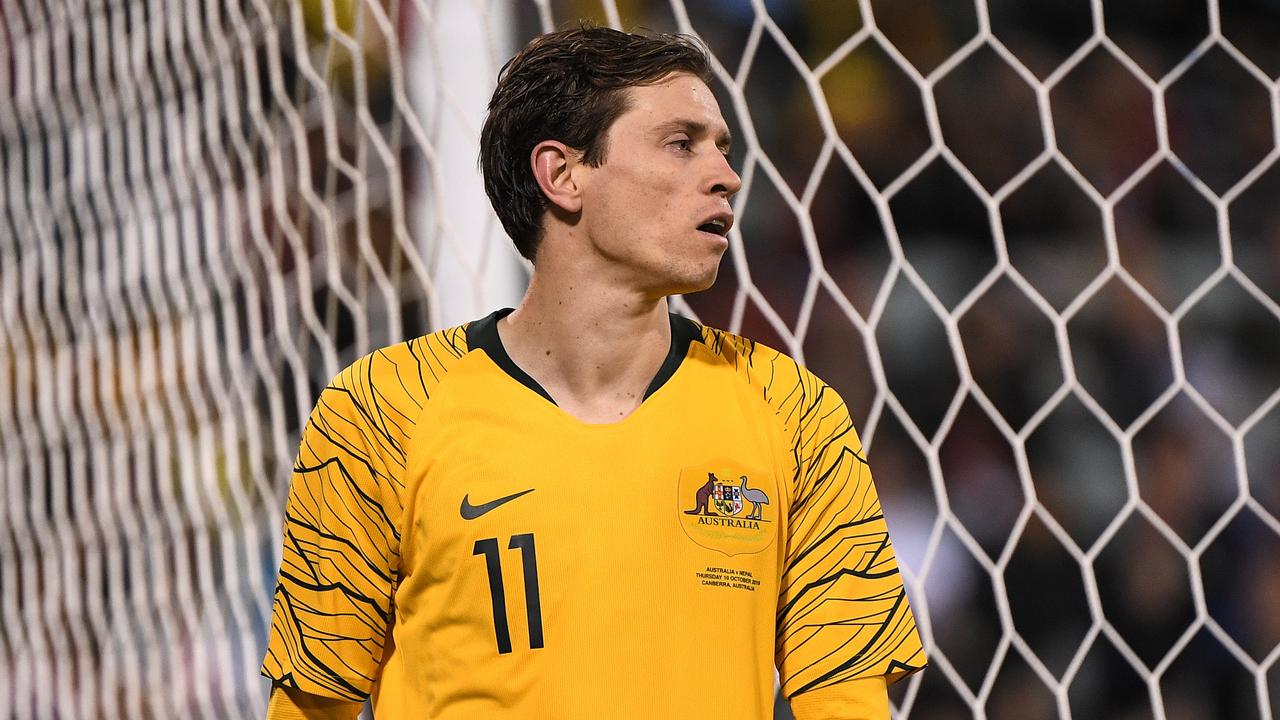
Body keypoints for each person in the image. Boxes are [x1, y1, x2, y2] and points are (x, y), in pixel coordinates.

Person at [261, 25, 925, 720]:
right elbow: (312, 706)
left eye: (722, 149)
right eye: (681, 143)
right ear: (562, 174)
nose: (727, 175)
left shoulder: (795, 414)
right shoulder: (379, 409)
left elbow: (848, 703)